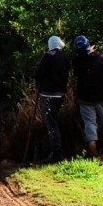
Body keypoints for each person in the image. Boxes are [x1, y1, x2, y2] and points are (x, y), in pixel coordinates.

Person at [34, 35, 71, 163]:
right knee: (53, 120)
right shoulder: (65, 57)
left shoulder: (48, 55)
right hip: (60, 94)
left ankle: (56, 153)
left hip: (48, 94)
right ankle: (54, 150)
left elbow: (38, 73)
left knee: (51, 123)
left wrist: (38, 84)